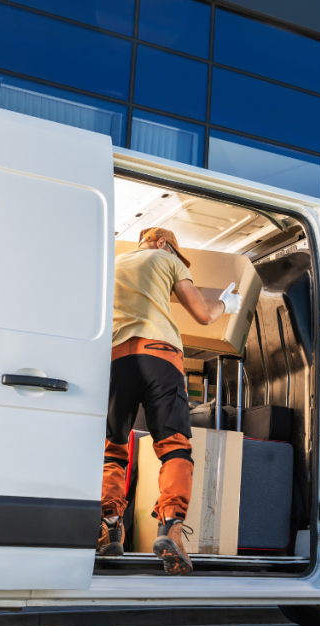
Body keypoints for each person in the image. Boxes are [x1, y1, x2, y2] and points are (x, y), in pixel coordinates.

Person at [99, 227, 243, 575]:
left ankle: (110, 529)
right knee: (174, 446)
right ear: (163, 243)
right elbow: (204, 314)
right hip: (159, 355)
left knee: (113, 447)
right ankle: (170, 528)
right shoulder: (166, 259)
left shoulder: (112, 264)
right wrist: (227, 304)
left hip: (116, 359)